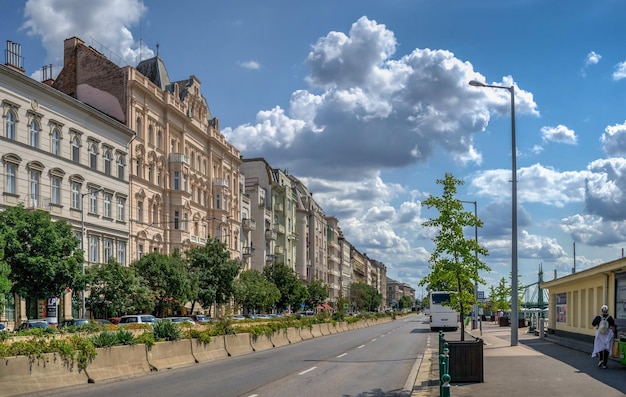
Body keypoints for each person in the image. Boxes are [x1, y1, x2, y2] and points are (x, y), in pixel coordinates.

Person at [591, 304, 617, 369]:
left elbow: (593, 324)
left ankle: (600, 360)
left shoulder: (598, 317)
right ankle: (605, 363)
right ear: (607, 310)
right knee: (606, 348)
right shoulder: (610, 318)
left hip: (599, 335)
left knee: (600, 347)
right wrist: (614, 335)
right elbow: (613, 327)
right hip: (607, 335)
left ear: (601, 310)